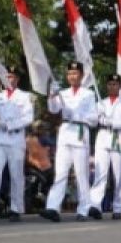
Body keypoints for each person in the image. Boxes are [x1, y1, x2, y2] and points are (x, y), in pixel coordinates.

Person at [0, 66, 35, 223]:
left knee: (16, 174)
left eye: (12, 77)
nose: (10, 79)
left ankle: (16, 209)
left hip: (15, 137)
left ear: (17, 79)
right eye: (7, 77)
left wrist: (9, 124)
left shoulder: (25, 96)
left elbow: (28, 118)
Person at [42, 61, 98, 222]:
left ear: (81, 75)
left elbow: (94, 119)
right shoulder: (63, 93)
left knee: (81, 174)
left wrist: (78, 116)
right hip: (66, 132)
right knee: (60, 172)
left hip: (80, 132)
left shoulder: (88, 94)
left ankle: (84, 209)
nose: (72, 76)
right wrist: (52, 95)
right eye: (69, 74)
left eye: (75, 73)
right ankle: (52, 207)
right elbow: (53, 109)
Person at [88, 74, 121, 219]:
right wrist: (101, 117)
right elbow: (92, 121)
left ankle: (118, 207)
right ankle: (95, 205)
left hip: (119, 138)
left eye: (115, 84)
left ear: (120, 86)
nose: (112, 87)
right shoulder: (100, 103)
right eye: (109, 84)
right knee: (100, 173)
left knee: (119, 175)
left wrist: (115, 122)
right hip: (103, 138)